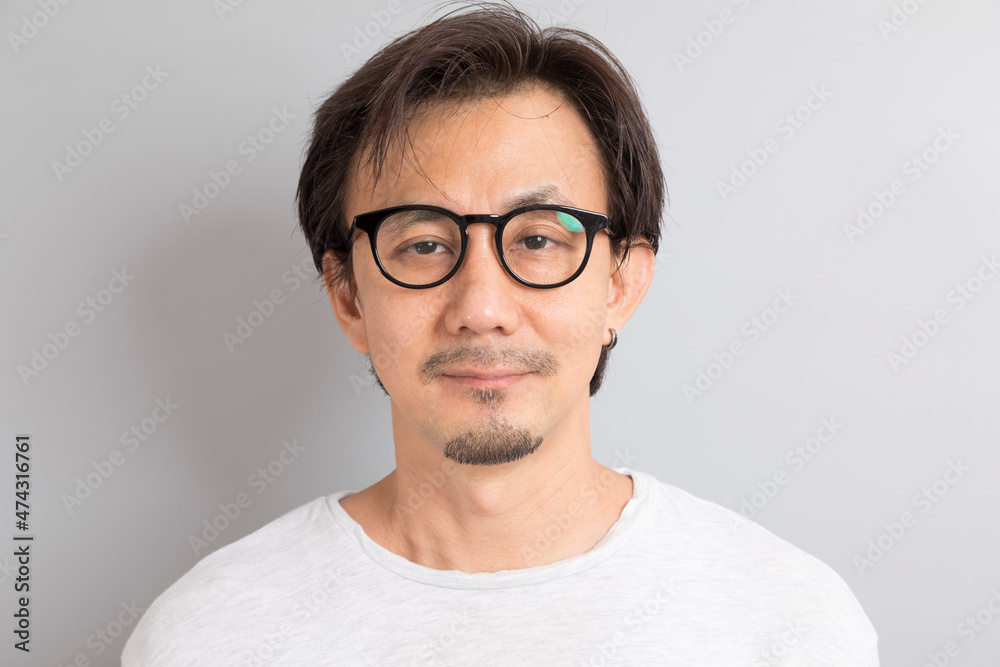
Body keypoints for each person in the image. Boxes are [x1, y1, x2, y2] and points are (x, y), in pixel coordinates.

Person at [123, 3, 879, 664]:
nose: (481, 305)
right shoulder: (208, 636)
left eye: (539, 240)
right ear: (347, 296)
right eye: (423, 244)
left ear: (620, 284)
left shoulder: (787, 626)